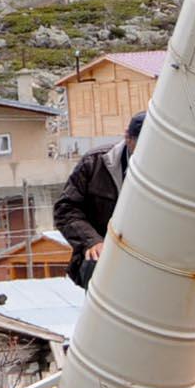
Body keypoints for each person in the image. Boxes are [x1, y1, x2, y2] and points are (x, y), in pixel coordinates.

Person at [54, 110, 142, 287]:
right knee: (96, 266)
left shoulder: (171, 171)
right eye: (142, 146)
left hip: (148, 257)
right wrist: (92, 241)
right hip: (105, 255)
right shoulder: (95, 163)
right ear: (128, 138)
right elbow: (66, 210)